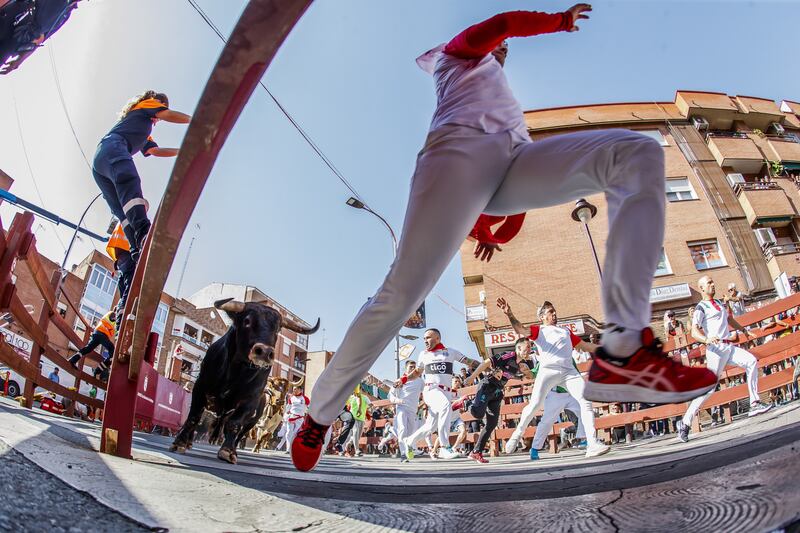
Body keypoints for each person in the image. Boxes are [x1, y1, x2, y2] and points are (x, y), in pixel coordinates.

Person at [291, 5, 716, 472]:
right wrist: (558, 21)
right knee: (399, 296)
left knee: (635, 153)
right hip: (457, 152)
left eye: (505, 52)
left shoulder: (504, 95)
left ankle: (626, 346)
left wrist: (494, 227)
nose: (504, 51)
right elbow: (502, 24)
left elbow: (515, 201)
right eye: (499, 50)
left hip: (511, 158)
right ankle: (319, 413)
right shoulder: (457, 56)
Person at [499, 299, 610, 458]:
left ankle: (592, 444)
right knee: (535, 405)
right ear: (542, 317)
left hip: (568, 372)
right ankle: (517, 434)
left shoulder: (565, 331)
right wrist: (509, 314)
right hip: (548, 371)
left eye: (554, 311)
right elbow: (521, 330)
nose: (554, 314)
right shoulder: (540, 331)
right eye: (550, 312)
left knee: (586, 400)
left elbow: (586, 347)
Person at [93, 91, 190, 262]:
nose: (157, 120)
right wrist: (195, 122)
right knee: (130, 181)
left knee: (123, 212)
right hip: (113, 147)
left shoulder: (141, 128)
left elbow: (155, 151)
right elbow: (166, 114)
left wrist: (182, 152)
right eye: (158, 114)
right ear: (157, 103)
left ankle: (136, 250)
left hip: (100, 165)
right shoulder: (148, 104)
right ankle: (144, 233)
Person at [676, 276, 774, 442]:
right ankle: (685, 422)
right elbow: (694, 332)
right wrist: (706, 339)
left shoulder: (720, 303)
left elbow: (729, 319)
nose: (713, 284)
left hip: (728, 347)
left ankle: (755, 403)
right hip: (715, 350)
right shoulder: (701, 307)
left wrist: (743, 330)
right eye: (709, 283)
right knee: (709, 389)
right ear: (701, 288)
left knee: (751, 361)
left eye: (713, 281)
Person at [401, 329, 479, 461]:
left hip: (446, 392)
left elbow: (469, 361)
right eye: (424, 338)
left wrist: (486, 366)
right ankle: (444, 447)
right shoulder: (423, 354)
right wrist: (403, 379)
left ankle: (409, 441)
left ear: (438, 338)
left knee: (430, 427)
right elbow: (417, 373)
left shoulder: (450, 352)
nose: (425, 341)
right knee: (445, 406)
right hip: (431, 390)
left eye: (428, 338)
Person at [464, 336, 534, 464]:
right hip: (487, 386)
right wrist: (471, 378)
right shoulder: (507, 356)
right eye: (527, 347)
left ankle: (476, 452)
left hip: (497, 393)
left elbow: (528, 377)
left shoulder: (525, 363)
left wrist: (526, 371)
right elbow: (486, 363)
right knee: (478, 414)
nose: (530, 349)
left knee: (491, 424)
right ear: (518, 348)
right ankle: (467, 403)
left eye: (531, 347)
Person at [388, 359, 425, 462]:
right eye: (410, 367)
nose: (413, 369)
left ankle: (411, 450)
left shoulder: (420, 381)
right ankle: (403, 454)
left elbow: (426, 392)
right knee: (402, 429)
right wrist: (398, 400)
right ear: (406, 368)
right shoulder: (400, 380)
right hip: (401, 408)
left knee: (411, 432)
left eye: (414, 367)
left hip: (413, 410)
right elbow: (390, 396)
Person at [106, 221, 134, 315]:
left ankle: (121, 309)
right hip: (127, 255)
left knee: (124, 286)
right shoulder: (132, 217)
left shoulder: (122, 220)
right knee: (130, 285)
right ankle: (122, 311)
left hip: (121, 258)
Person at [345, 385, 371, 457]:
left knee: (358, 436)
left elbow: (370, 404)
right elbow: (345, 405)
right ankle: (357, 450)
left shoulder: (365, 397)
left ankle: (349, 443)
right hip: (353, 418)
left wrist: (371, 405)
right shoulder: (351, 397)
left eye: (358, 389)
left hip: (362, 419)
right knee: (355, 432)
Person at [284, 385, 309, 452]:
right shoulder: (291, 398)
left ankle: (295, 448)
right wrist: (286, 415)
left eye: (295, 389)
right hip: (291, 417)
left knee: (296, 433)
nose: (294, 390)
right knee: (289, 432)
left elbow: (309, 408)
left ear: (300, 390)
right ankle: (288, 449)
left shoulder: (305, 398)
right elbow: (288, 408)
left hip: (300, 418)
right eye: (293, 389)